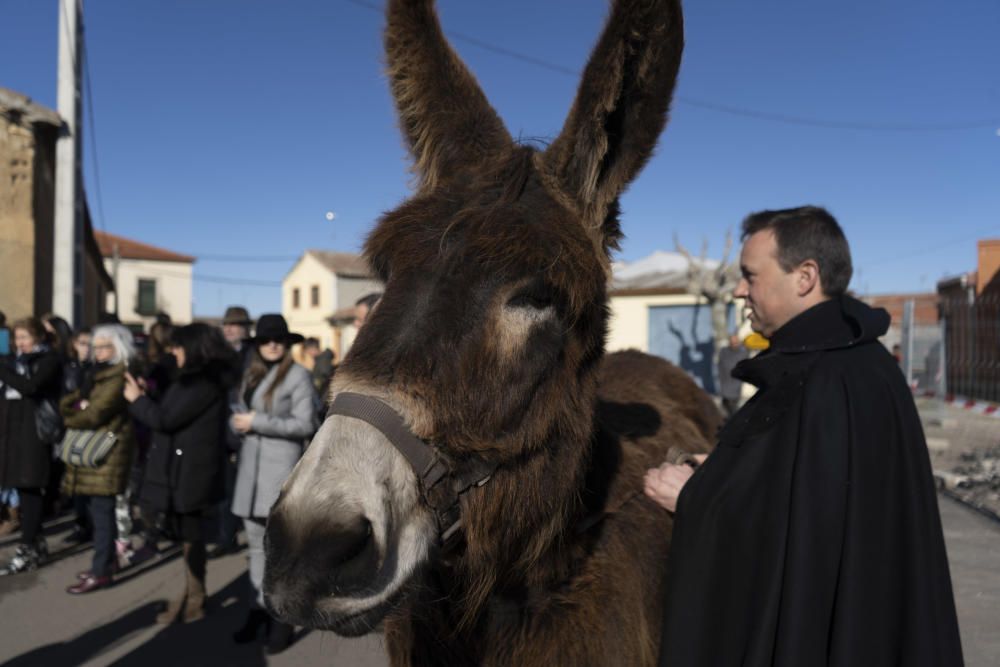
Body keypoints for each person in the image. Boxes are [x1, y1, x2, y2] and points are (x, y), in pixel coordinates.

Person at [644, 206, 963, 666]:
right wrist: (721, 471)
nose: (738, 290)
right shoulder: (848, 363)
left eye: (750, 276)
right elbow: (796, 479)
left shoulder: (830, 378)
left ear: (805, 277)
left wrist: (697, 499)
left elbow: (800, 536)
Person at [125, 323, 239, 624]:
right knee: (188, 535)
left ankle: (196, 596)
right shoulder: (191, 379)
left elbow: (165, 419)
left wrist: (137, 399)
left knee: (192, 534)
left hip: (192, 472)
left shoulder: (202, 382)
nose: (173, 351)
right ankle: (192, 593)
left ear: (194, 348)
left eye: (178, 346)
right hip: (183, 468)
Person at [230, 314, 317, 654]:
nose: (272, 345)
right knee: (254, 547)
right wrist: (237, 422)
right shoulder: (251, 373)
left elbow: (305, 424)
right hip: (250, 472)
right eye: (266, 340)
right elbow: (241, 408)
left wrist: (257, 421)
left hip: (278, 472)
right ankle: (259, 608)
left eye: (278, 339)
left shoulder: (298, 375)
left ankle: (282, 617)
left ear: (287, 343)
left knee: (280, 552)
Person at [60, 324, 137, 594]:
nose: (98, 351)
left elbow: (94, 413)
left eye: (105, 346)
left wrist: (69, 412)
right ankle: (104, 563)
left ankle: (101, 570)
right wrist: (75, 405)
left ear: (119, 347)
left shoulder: (116, 376)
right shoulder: (97, 374)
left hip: (106, 453)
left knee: (103, 515)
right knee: (99, 513)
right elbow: (79, 401)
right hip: (97, 451)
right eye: (96, 346)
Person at [0, 317, 63, 574]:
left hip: (34, 434)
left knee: (30, 486)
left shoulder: (48, 360)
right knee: (24, 489)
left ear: (37, 338)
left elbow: (30, 386)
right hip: (13, 432)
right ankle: (35, 543)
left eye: (25, 337)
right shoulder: (14, 362)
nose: (20, 343)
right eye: (17, 338)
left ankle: (27, 547)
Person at [208, 306, 254, 560]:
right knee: (225, 490)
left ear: (246, 329)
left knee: (251, 489)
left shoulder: (253, 354)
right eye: (226, 324)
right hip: (223, 430)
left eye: (234, 325)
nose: (229, 328)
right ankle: (227, 537)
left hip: (247, 429)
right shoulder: (219, 354)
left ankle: (258, 541)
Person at [716, 334, 748, 418]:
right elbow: (720, 365)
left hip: (736, 385)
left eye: (736, 342)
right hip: (725, 383)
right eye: (732, 342)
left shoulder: (743, 352)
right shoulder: (724, 351)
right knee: (725, 404)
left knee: (733, 407)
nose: (734, 344)